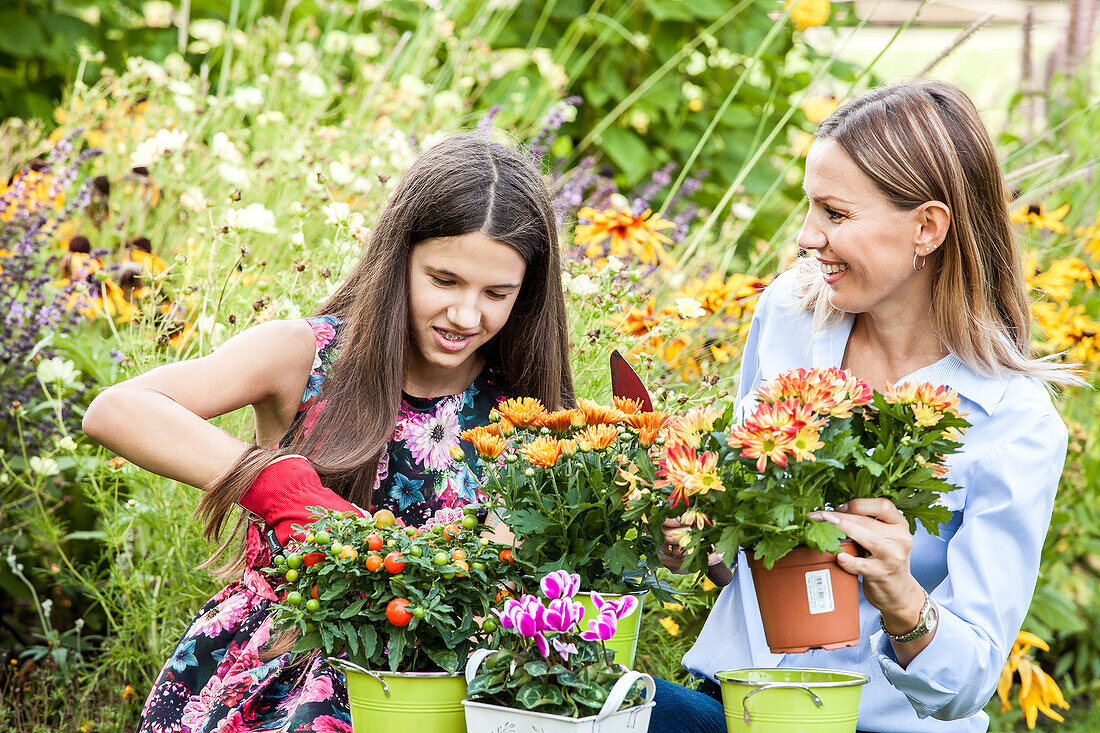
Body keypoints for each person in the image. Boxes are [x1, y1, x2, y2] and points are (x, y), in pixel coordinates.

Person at [82, 133, 575, 732]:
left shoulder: (526, 406)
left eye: (497, 293)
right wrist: (274, 483)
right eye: (443, 280)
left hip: (448, 687)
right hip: (280, 669)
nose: (467, 315)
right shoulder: (307, 356)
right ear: (399, 260)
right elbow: (117, 409)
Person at [649, 80, 1077, 732]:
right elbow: (728, 545)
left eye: (835, 213)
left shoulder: (1012, 421)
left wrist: (902, 597)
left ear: (927, 227)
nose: (805, 237)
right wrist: (695, 535)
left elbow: (968, 683)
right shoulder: (789, 315)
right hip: (730, 701)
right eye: (808, 207)